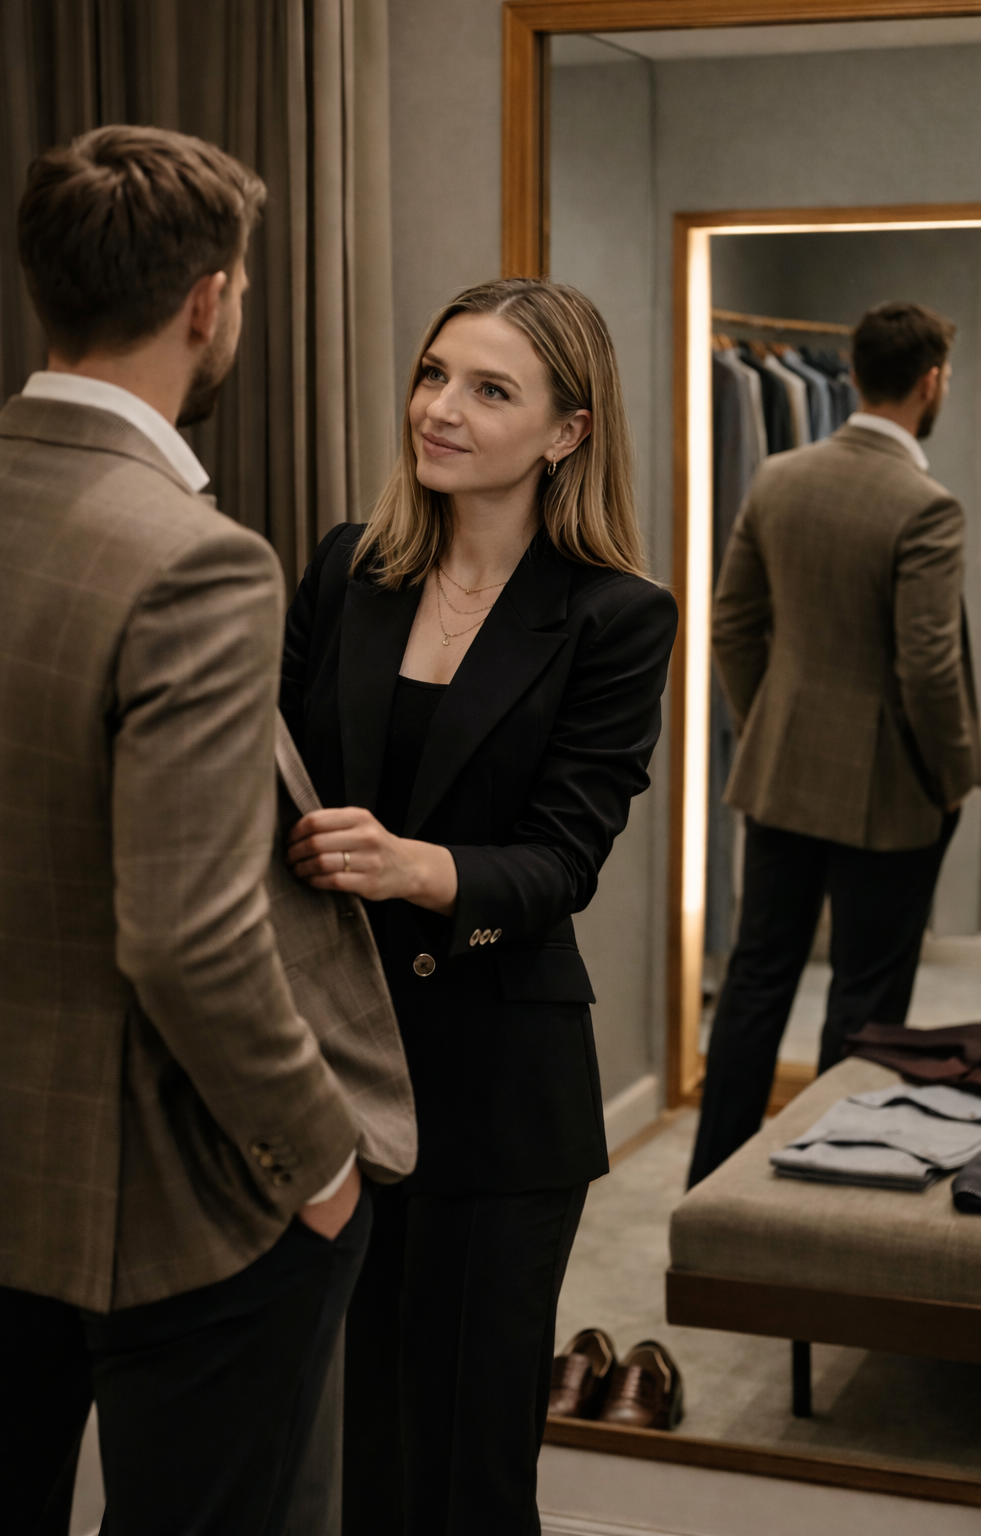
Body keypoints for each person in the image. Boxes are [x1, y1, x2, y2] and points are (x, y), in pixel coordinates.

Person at [0, 125, 414, 1536]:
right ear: (210, 302)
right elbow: (186, 934)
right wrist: (322, 1162)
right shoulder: (193, 558)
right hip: (175, 1197)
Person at [280, 277, 678, 1534]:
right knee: (357, 1446)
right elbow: (276, 770)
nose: (439, 409)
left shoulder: (617, 618)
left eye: (489, 389)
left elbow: (564, 862)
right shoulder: (351, 566)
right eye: (432, 373)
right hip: (326, 1063)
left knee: (470, 1465)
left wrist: (415, 867)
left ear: (567, 431)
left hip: (496, 1085)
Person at [688, 301, 981, 1189]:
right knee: (864, 1003)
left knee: (754, 987)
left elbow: (733, 626)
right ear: (931, 382)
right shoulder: (925, 505)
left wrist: (775, 719)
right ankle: (825, 1185)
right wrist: (955, 777)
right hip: (889, 794)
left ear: (853, 373)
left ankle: (713, 1180)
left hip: (780, 776)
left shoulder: (778, 478)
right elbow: (929, 669)